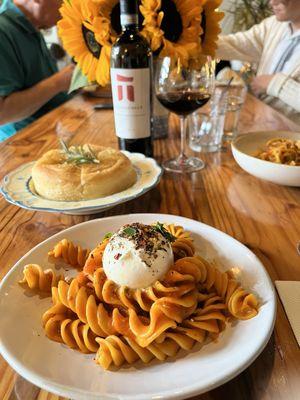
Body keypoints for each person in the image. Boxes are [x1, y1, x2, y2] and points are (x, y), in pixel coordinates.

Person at [0, 0, 74, 141]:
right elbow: (2, 113)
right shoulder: (3, 30)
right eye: (64, 1)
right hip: (22, 146)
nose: (68, 7)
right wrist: (58, 82)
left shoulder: (32, 25)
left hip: (53, 131)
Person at [217, 0, 300, 125]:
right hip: (259, 124)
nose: (271, 2)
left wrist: (276, 84)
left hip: (289, 140)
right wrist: (191, 40)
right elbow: (234, 44)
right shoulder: (273, 25)